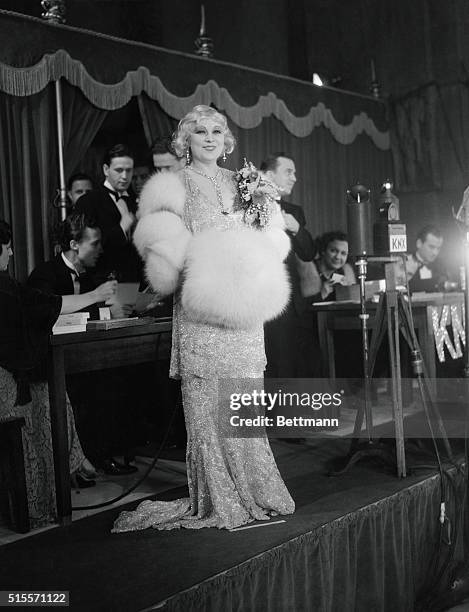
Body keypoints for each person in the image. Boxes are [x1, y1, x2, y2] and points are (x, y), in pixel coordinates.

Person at [113, 104, 295, 532]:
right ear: (186, 141)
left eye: (217, 130)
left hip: (244, 310)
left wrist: (266, 215)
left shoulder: (244, 181)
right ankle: (219, 497)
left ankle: (255, 488)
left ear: (226, 139)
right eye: (200, 132)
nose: (210, 138)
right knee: (207, 406)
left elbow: (270, 243)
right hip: (201, 311)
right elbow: (163, 264)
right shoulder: (172, 185)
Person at [0, 220, 116, 526]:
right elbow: (43, 307)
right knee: (51, 393)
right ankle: (50, 492)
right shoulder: (11, 287)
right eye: (8, 247)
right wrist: (95, 296)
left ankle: (78, 463)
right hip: (10, 383)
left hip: (18, 371)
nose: (11, 253)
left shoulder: (8, 287)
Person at [27, 213, 137, 476]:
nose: (100, 249)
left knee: (115, 380)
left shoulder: (88, 276)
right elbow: (48, 315)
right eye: (95, 243)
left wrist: (126, 306)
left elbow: (98, 311)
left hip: (82, 359)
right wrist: (102, 305)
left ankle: (103, 454)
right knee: (98, 387)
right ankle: (90, 459)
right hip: (47, 363)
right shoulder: (45, 273)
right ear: (75, 245)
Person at [260, 152, 316, 378]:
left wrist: (296, 229)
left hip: (293, 304)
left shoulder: (294, 211)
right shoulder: (247, 207)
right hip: (261, 301)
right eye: (288, 172)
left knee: (294, 366)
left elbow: (309, 252)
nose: (294, 178)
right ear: (269, 175)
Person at [76, 144, 142, 282]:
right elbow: (85, 247)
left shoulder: (135, 202)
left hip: (134, 281)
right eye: (119, 170)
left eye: (128, 171)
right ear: (106, 169)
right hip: (101, 281)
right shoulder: (88, 201)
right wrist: (121, 228)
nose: (125, 176)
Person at [310, 231, 356, 301]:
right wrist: (321, 294)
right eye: (333, 251)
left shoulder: (343, 271)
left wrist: (348, 291)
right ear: (323, 250)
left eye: (343, 253)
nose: (338, 257)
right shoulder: (309, 269)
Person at [404, 225, 448, 293]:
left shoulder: (441, 266)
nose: (435, 253)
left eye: (438, 248)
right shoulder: (405, 263)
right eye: (431, 247)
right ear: (419, 243)